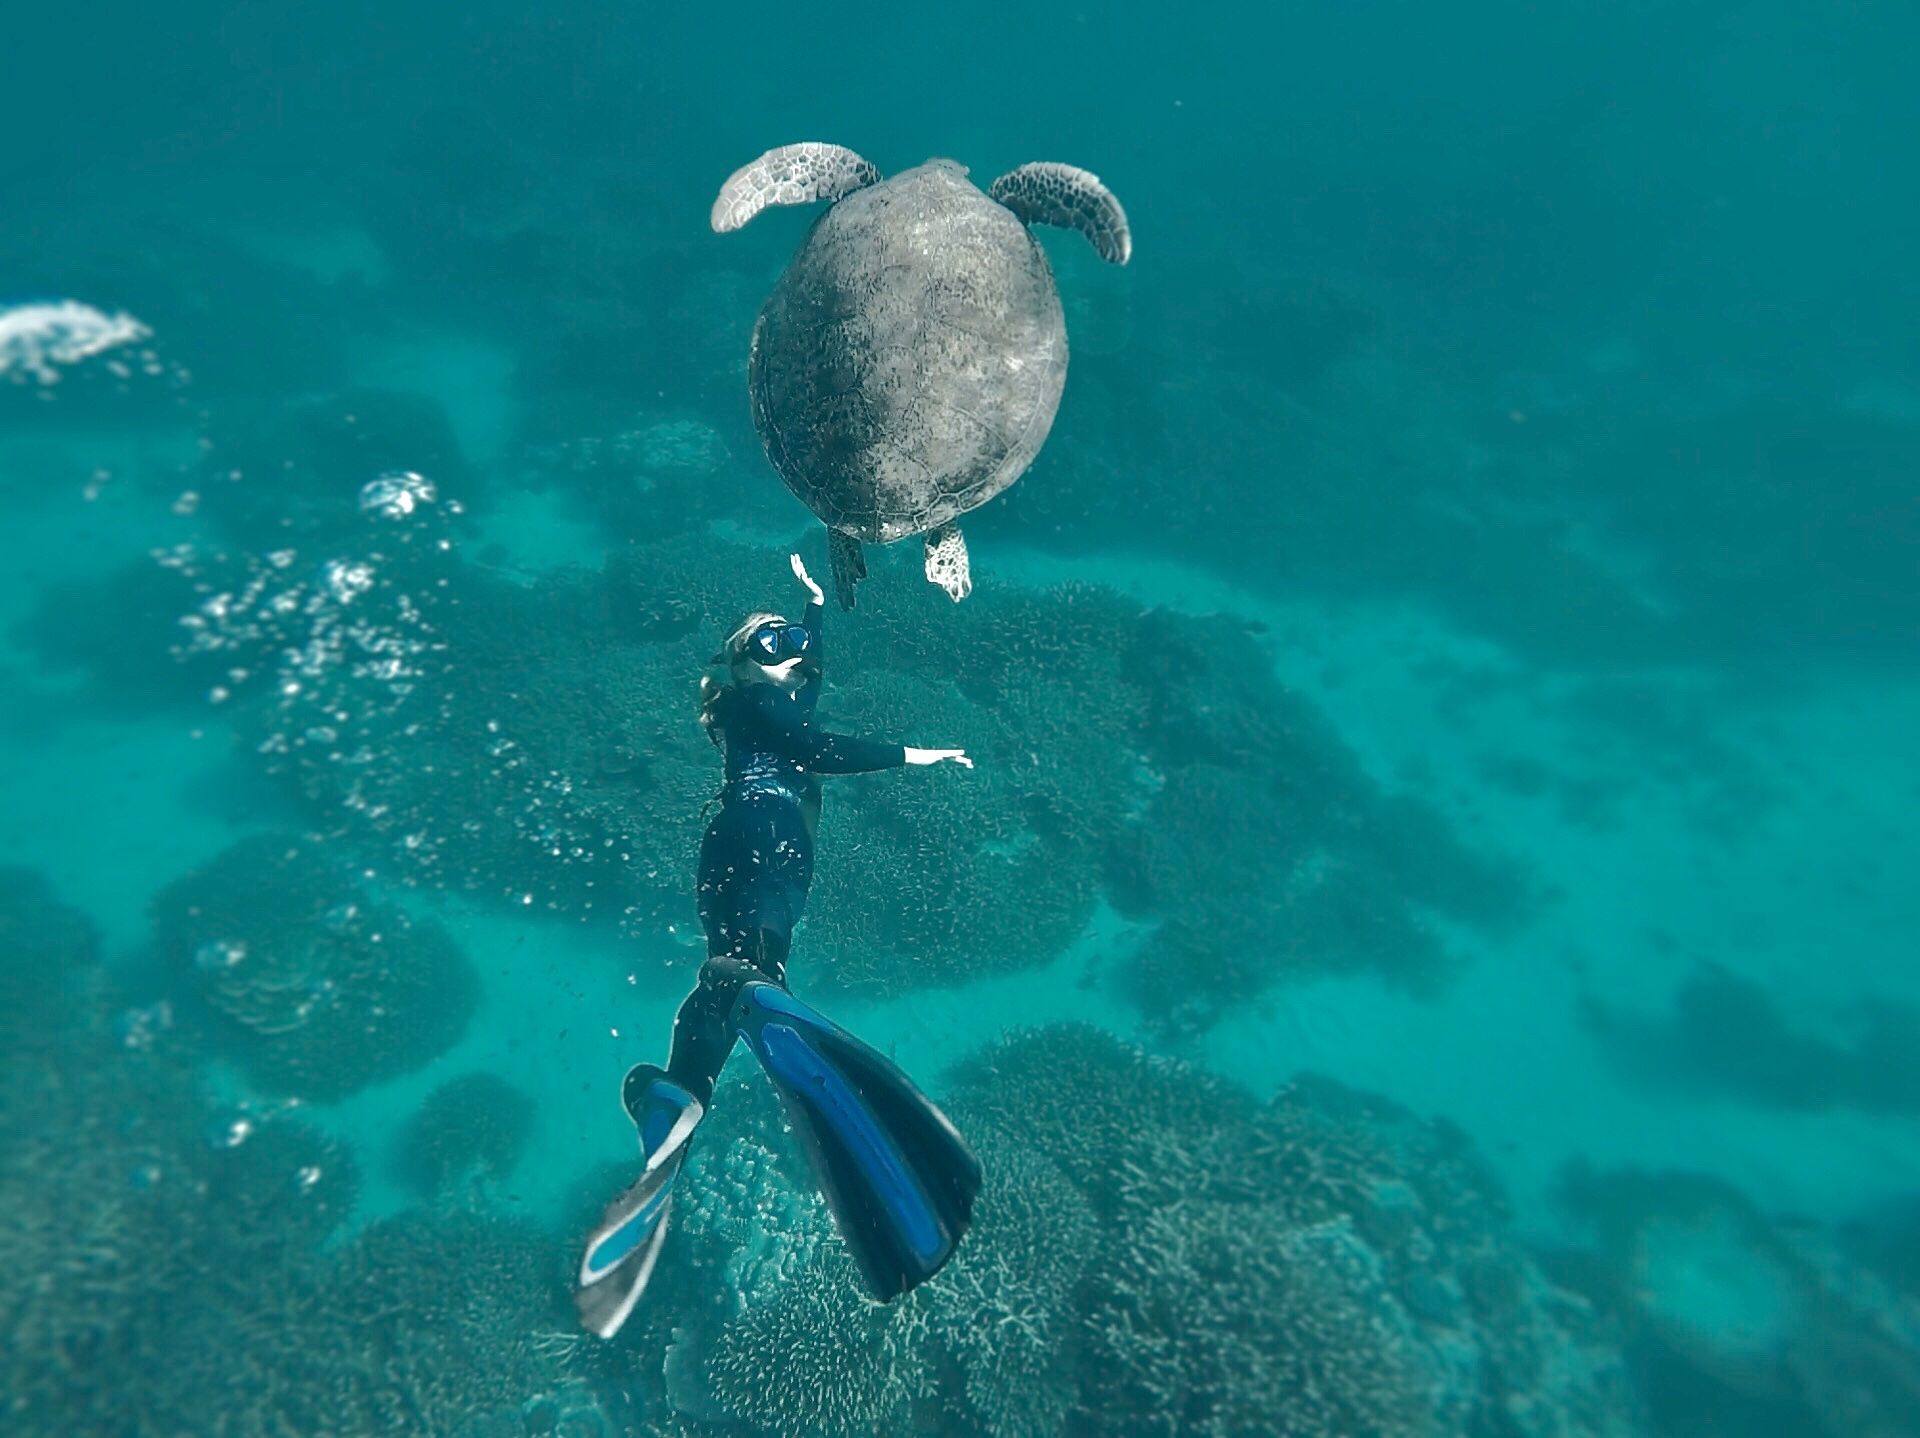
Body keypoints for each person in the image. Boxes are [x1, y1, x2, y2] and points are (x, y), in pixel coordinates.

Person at [575, 554, 982, 1339]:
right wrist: (916, 755)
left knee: (730, 972)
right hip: (771, 843)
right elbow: (820, 747)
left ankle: (682, 1089)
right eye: (767, 642)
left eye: (784, 640)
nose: (784, 649)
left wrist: (815, 604)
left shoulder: (758, 701)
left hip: (733, 846)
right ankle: (751, 1003)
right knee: (752, 967)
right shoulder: (755, 703)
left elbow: (811, 677)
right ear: (740, 662)